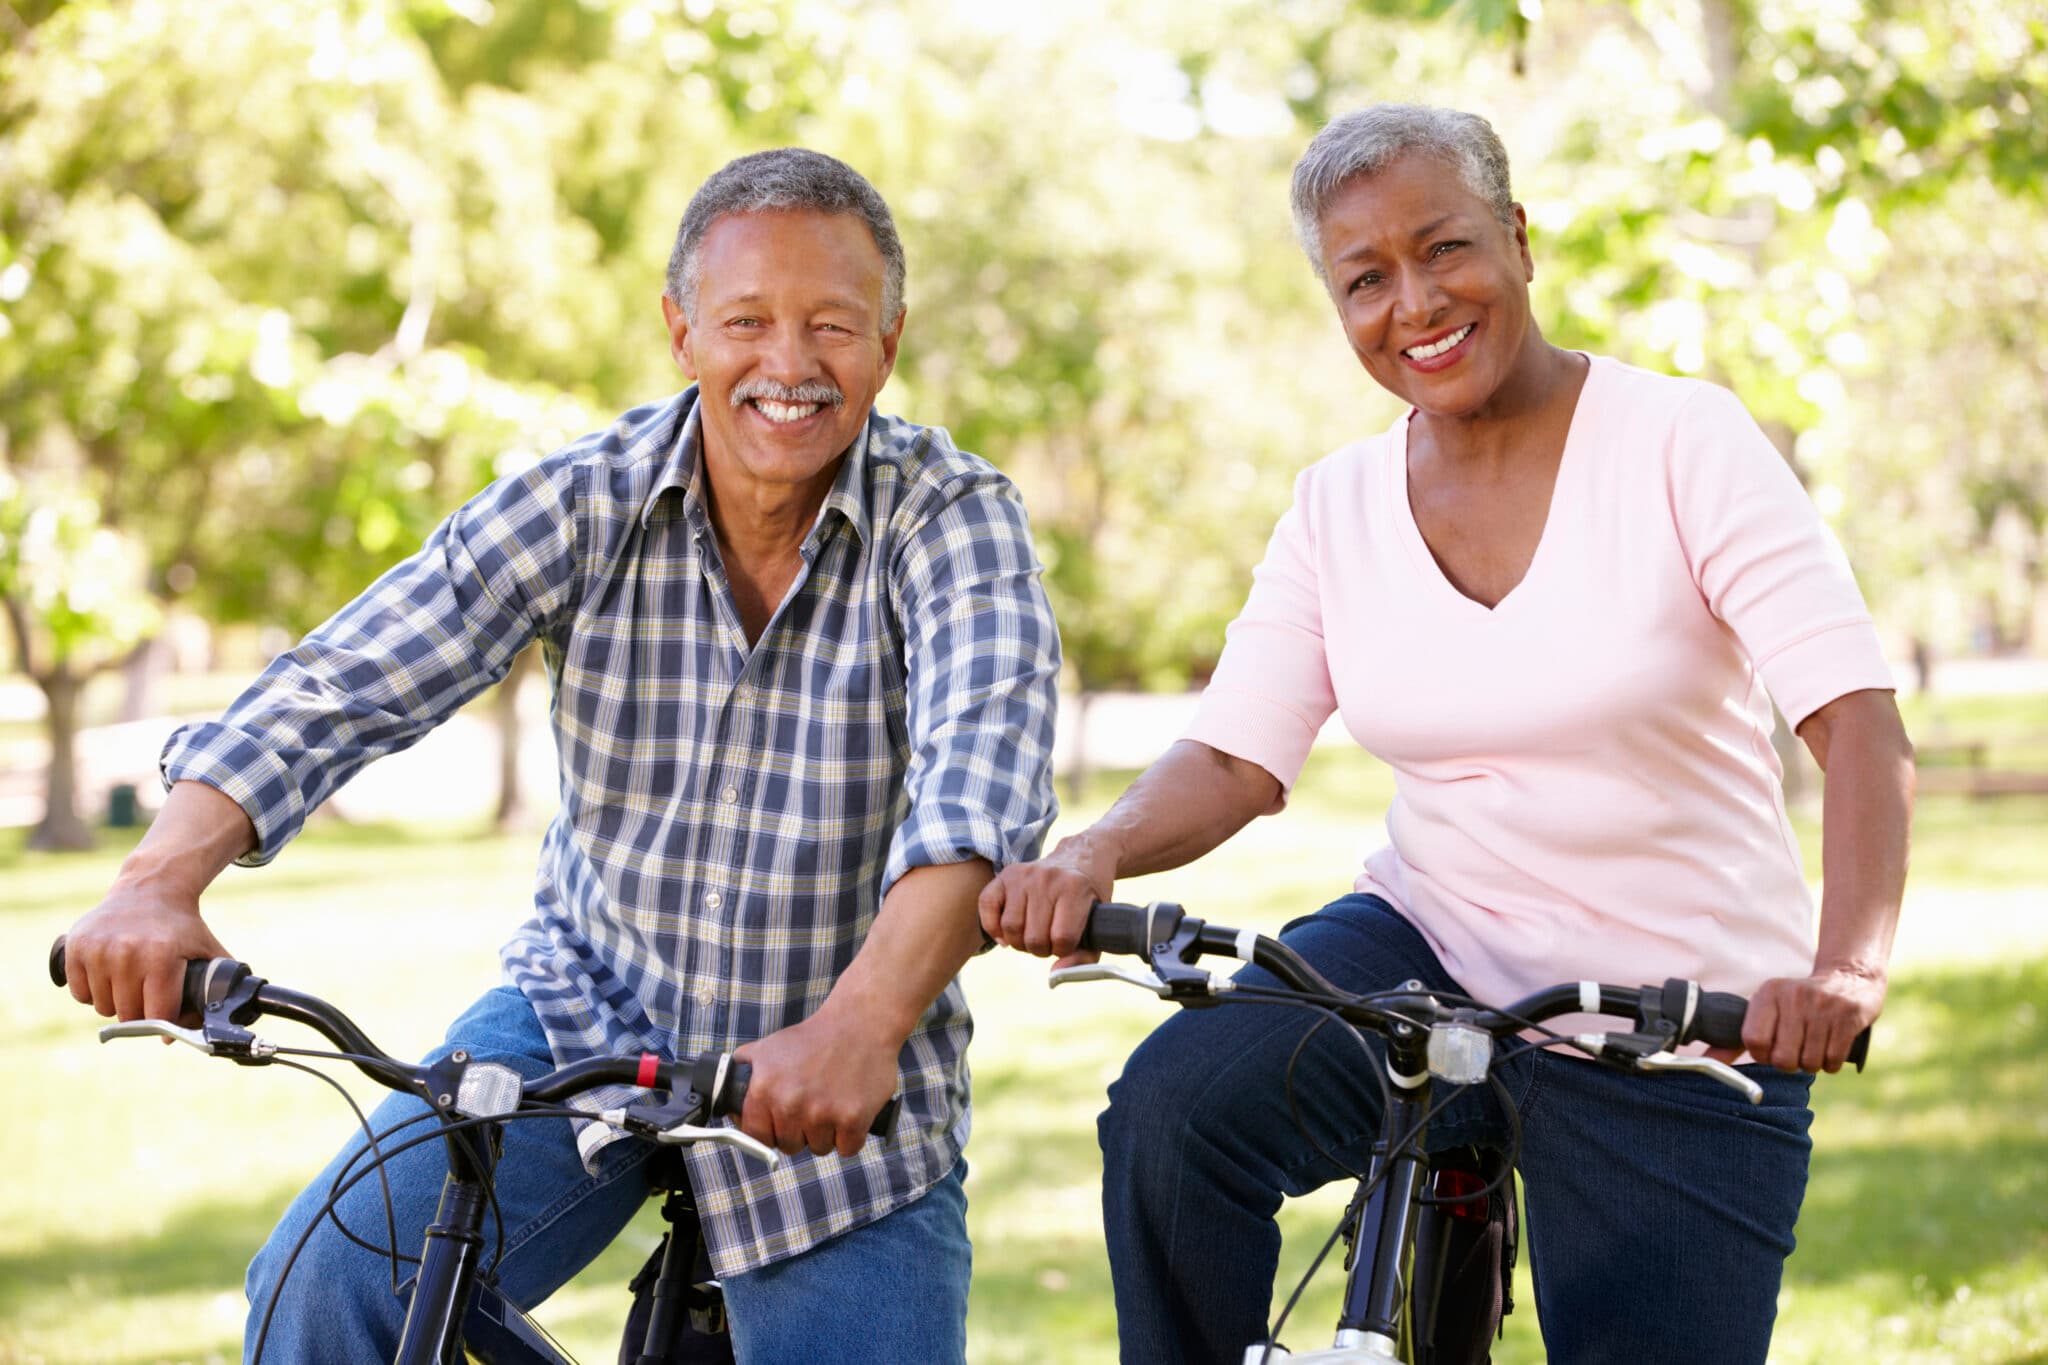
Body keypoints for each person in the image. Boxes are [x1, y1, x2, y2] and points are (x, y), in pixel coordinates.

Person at [59, 148, 1060, 1363]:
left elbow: (979, 779)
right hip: (582, 1019)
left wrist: (860, 1026)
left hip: (839, 1089)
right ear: (681, 331)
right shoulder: (584, 495)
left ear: (888, 344)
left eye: (833, 327)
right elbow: (350, 677)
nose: (788, 365)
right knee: (327, 1288)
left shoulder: (951, 516)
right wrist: (157, 880)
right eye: (745, 321)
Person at [980, 104, 1913, 1364]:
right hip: (1422, 953)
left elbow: (1853, 721)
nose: (1414, 303)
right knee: (1173, 1111)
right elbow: (1234, 756)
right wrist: (1095, 852)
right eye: (1365, 279)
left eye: (1446, 250)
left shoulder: (1679, 442)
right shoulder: (1336, 505)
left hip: (1683, 1019)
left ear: (1518, 240)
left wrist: (1844, 974)